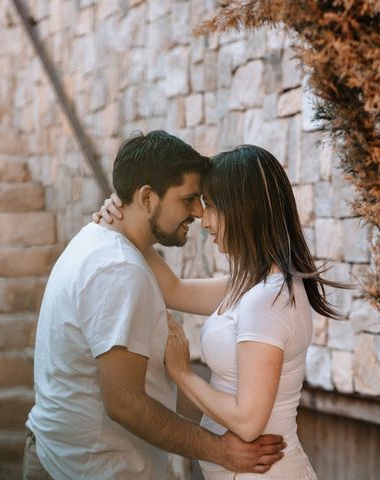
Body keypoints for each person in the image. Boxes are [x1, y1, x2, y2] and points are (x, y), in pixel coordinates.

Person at [24, 131, 285, 480]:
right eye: (190, 198)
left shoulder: (104, 243)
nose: (199, 213)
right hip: (85, 470)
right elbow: (125, 403)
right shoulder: (118, 268)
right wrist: (220, 450)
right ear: (147, 197)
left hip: (78, 462)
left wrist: (121, 213)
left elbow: (176, 289)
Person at [96, 144, 343, 479]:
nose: (204, 220)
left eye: (211, 206)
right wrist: (127, 223)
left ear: (242, 209)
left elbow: (248, 420)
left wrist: (182, 373)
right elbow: (173, 290)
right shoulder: (252, 285)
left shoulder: (266, 300)